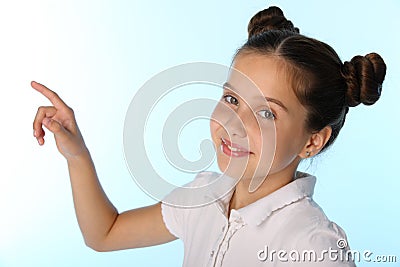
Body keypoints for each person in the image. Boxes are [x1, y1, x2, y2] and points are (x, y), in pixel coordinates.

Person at [32, 6, 386, 267]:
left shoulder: (313, 246)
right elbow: (104, 234)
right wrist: (76, 154)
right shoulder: (204, 198)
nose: (234, 123)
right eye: (232, 98)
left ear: (312, 141)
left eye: (266, 113)